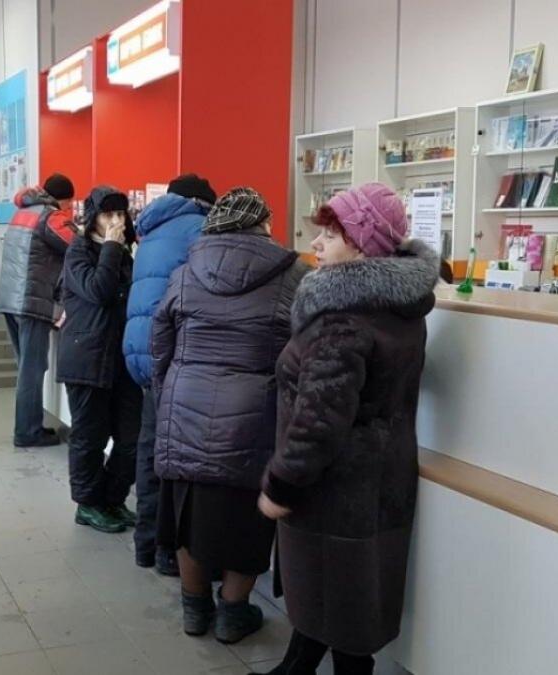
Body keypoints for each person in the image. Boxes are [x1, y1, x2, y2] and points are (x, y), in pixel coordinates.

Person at [256, 183, 439, 675]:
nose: (316, 244)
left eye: (331, 235)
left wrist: (281, 483)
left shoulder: (343, 320)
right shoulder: (397, 306)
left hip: (334, 493)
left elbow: (318, 419)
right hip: (380, 483)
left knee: (342, 611)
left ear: (362, 245)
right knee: (342, 602)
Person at [151, 187, 308, 644]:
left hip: (185, 405)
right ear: (264, 224)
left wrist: (167, 395)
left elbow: (160, 342)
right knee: (248, 520)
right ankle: (232, 614)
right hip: (254, 413)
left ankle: (194, 609)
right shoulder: (295, 275)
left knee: (186, 514)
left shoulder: (185, 272)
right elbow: (303, 350)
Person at [122, 173, 216, 575]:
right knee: (176, 461)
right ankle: (168, 552)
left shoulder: (150, 229)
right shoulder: (199, 228)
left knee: (150, 452)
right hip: (175, 354)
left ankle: (145, 544)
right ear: (204, 203)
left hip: (140, 353)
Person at [57, 186, 142, 534]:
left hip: (121, 359)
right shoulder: (78, 251)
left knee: (130, 436)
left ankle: (113, 498)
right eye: (108, 214)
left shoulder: (125, 254)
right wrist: (110, 247)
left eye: (121, 214)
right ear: (93, 218)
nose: (116, 221)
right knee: (90, 438)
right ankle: (88, 504)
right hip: (86, 359)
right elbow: (99, 290)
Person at [0, 174, 79, 448]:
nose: (69, 210)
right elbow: (78, 246)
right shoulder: (51, 217)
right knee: (32, 370)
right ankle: (27, 432)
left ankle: (28, 426)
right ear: (62, 200)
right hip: (31, 302)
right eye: (69, 204)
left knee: (25, 367)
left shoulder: (23, 212)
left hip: (10, 299)